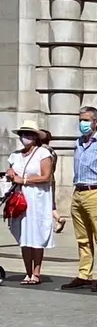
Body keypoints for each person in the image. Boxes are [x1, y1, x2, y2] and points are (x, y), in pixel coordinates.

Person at [64, 106, 97, 292]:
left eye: (86, 120)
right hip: (79, 191)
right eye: (81, 119)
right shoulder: (77, 142)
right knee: (82, 238)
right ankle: (84, 273)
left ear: (96, 122)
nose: (83, 123)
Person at [6, 120, 55, 284]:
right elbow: (11, 172)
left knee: (36, 233)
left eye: (28, 134)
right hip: (20, 198)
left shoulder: (43, 153)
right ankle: (27, 271)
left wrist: (24, 180)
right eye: (22, 134)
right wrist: (10, 173)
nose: (24, 137)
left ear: (35, 137)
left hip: (37, 198)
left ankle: (36, 272)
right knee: (24, 235)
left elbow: (46, 177)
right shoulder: (15, 155)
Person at [36, 130, 66, 234]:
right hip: (51, 178)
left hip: (40, 179)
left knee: (44, 202)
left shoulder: (40, 151)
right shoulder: (53, 152)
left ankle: (54, 220)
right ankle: (58, 219)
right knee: (50, 202)